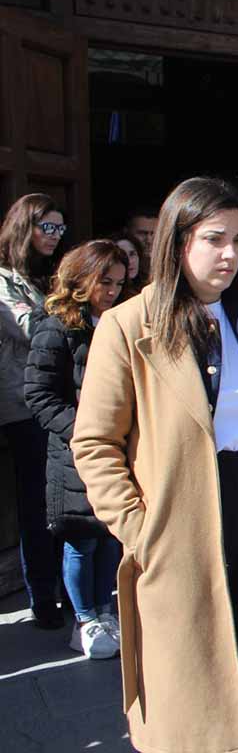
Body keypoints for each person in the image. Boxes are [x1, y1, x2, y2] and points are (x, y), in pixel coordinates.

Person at [72, 178, 238, 753]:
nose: (230, 253)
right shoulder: (128, 326)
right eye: (214, 239)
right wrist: (140, 528)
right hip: (178, 514)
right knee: (189, 671)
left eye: (237, 239)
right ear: (177, 241)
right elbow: (95, 443)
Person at [25, 241, 129, 658]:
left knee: (109, 537)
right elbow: (39, 394)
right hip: (74, 452)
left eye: (119, 283)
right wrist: (84, 432)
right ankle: (84, 619)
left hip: (116, 447)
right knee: (81, 540)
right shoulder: (56, 327)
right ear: (81, 277)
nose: (112, 291)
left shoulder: (118, 321)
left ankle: (105, 610)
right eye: (105, 282)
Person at [0, 193, 67, 629]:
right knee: (36, 502)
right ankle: (42, 595)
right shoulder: (4, 280)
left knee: (61, 498)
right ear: (25, 227)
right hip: (23, 404)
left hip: (57, 399)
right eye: (48, 227)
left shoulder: (49, 276)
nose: (55, 236)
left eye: (60, 228)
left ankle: (66, 588)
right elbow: (31, 327)